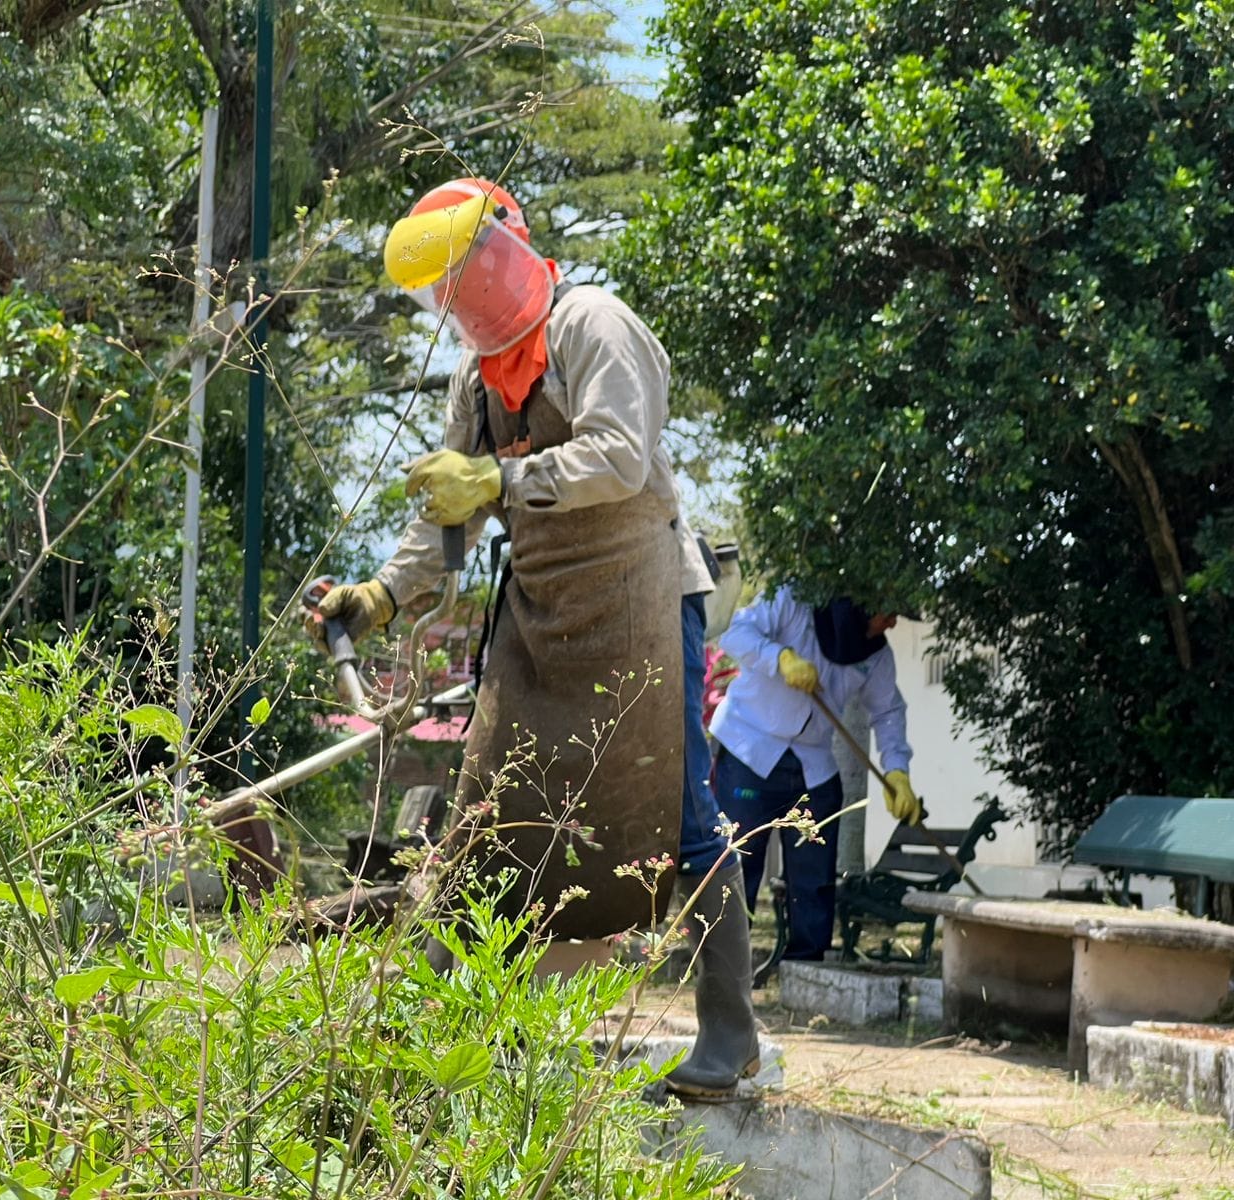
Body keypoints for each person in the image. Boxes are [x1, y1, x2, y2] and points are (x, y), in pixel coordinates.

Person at [317, 177, 713, 943]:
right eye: (444, 282)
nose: (460, 291)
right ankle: (478, 1003)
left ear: (508, 246)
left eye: (466, 266)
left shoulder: (593, 325)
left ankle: (727, 1010)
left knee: (681, 814)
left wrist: (499, 478)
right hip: (542, 616)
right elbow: (451, 509)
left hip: (648, 601)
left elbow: (619, 459)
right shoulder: (475, 379)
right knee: (492, 812)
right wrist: (383, 594)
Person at [708, 589, 922, 964]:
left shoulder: (876, 656)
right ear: (863, 603)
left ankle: (806, 964)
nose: (892, 623)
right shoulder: (793, 600)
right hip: (749, 749)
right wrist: (780, 657)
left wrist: (897, 770)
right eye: (888, 612)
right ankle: (723, 965)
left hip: (813, 763)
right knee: (738, 865)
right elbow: (734, 632)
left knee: (814, 876)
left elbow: (888, 712)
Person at [662, 551, 761, 1101]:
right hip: (554, 597)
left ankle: (730, 1034)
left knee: (687, 812)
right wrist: (393, 592)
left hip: (657, 589)